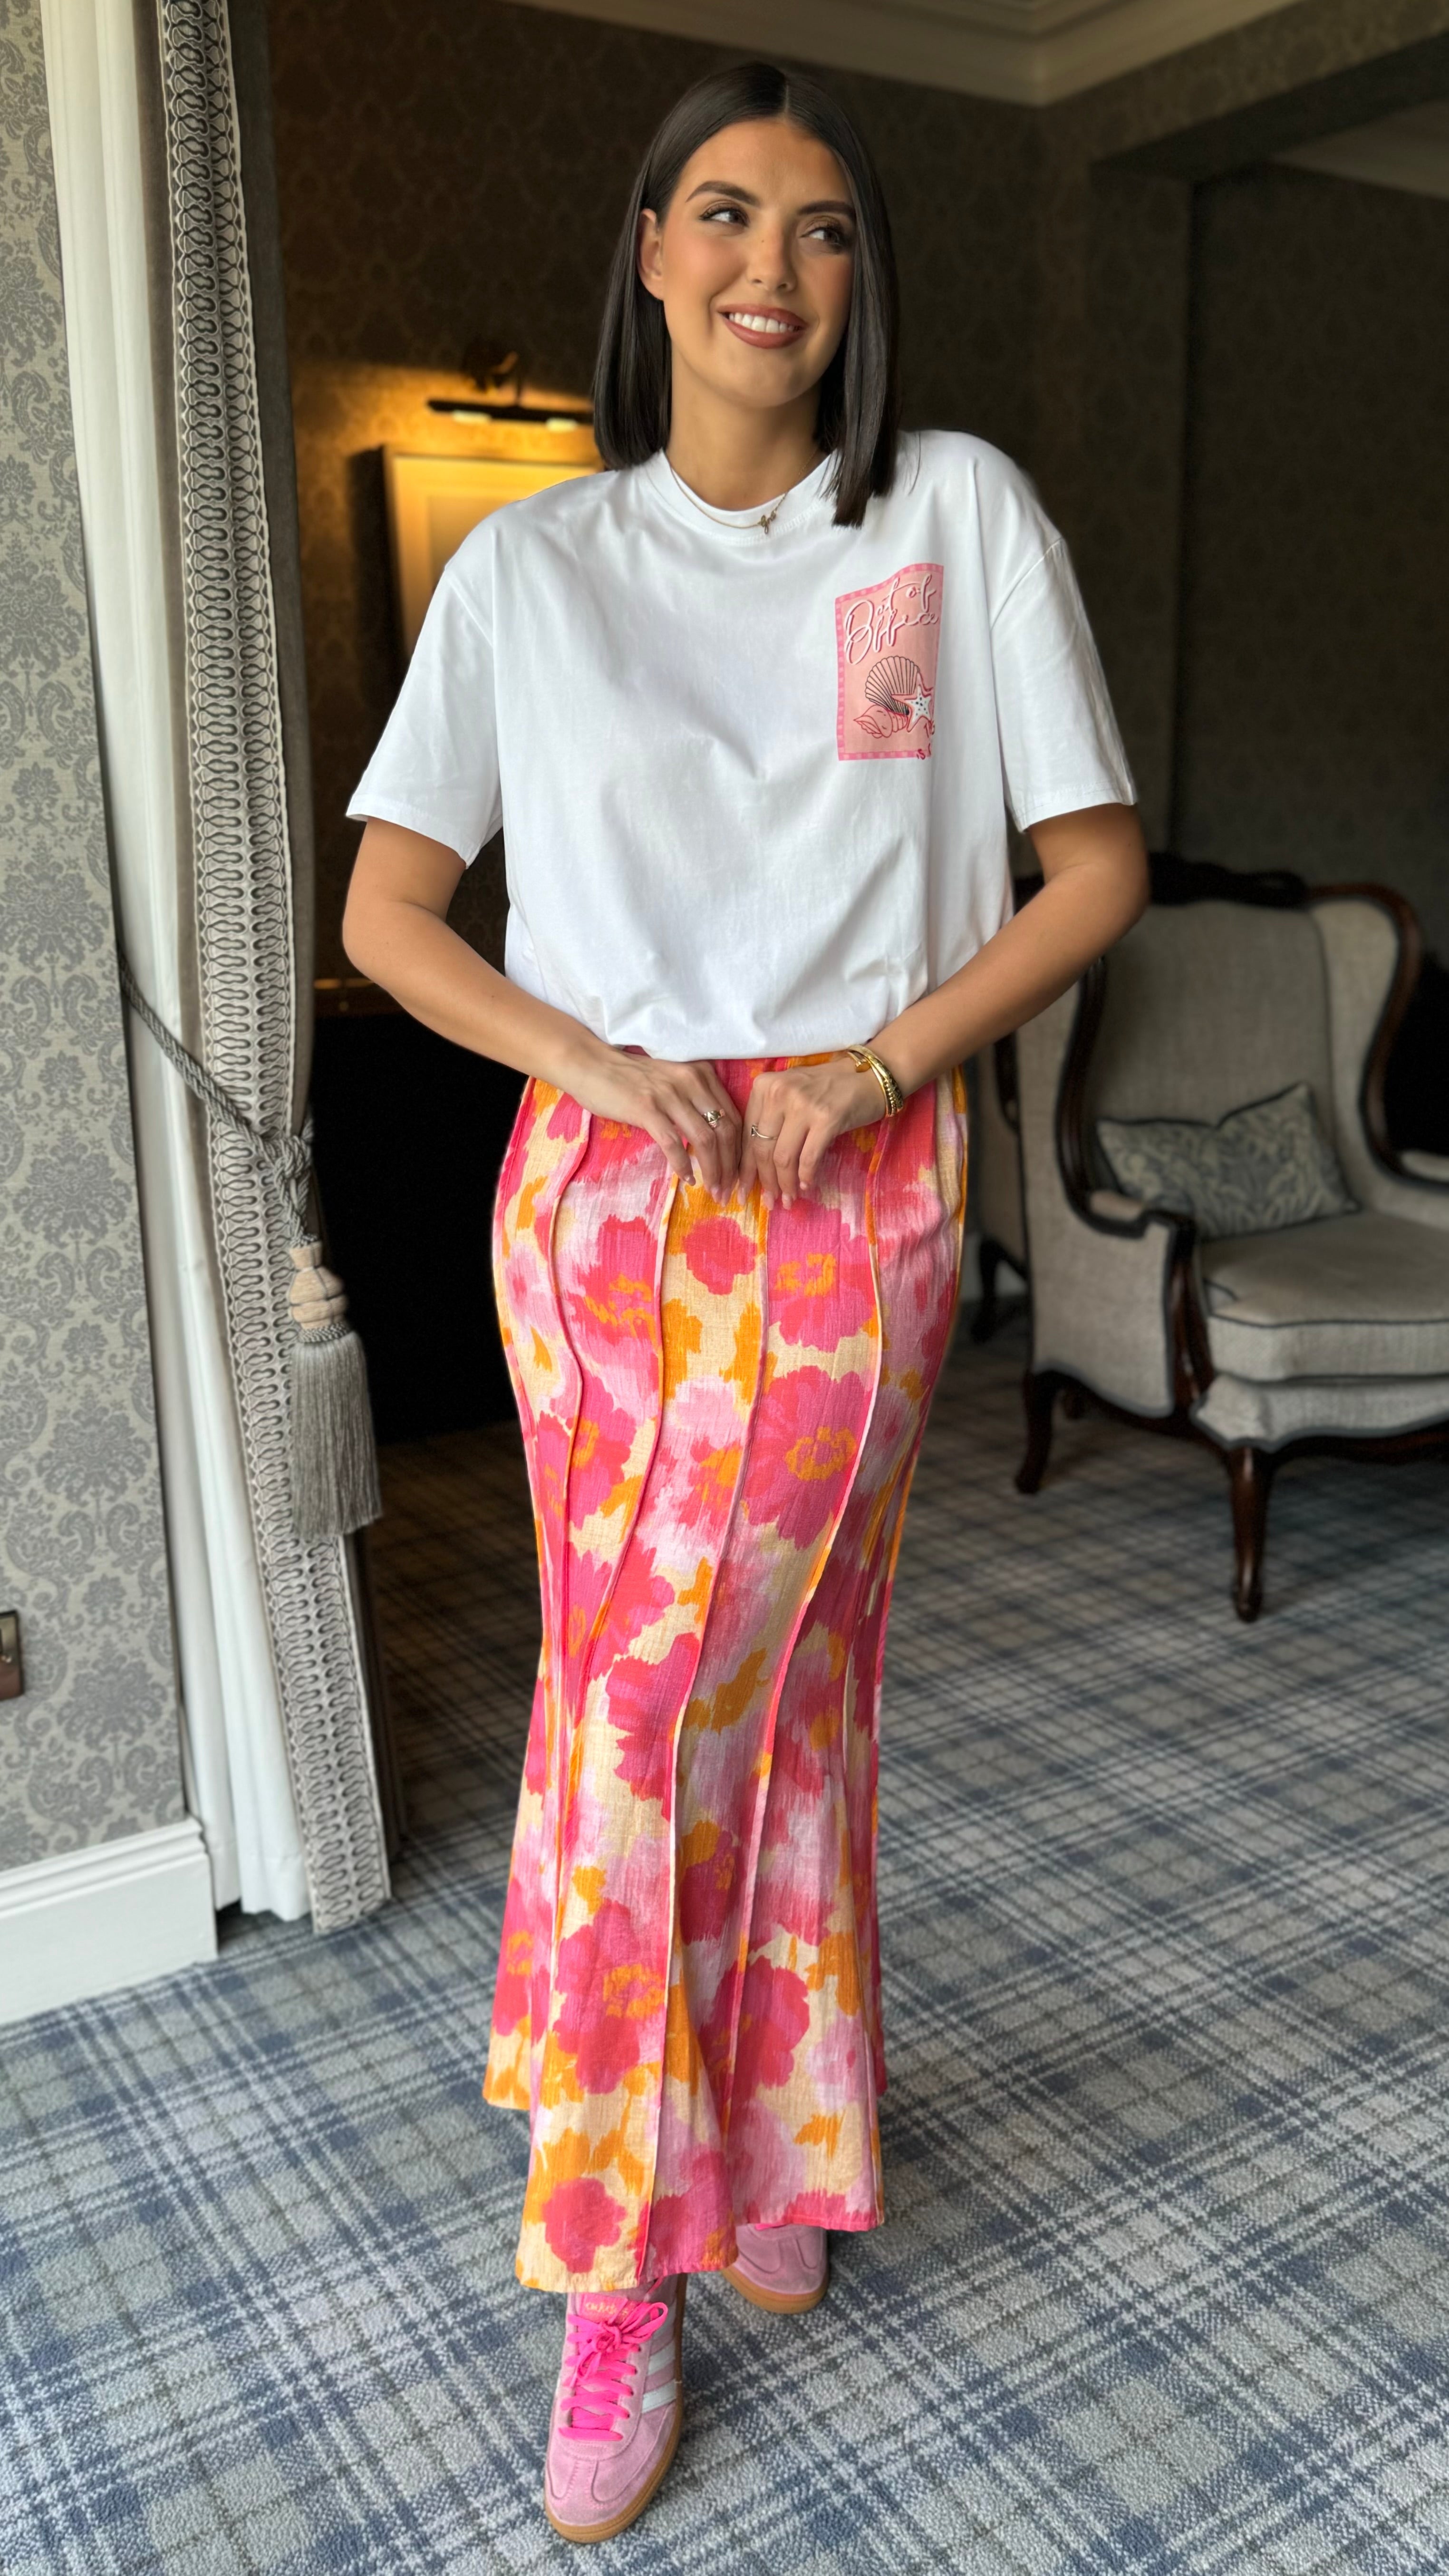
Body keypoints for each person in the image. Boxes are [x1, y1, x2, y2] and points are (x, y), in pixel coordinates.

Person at [342, 58, 1146, 2544]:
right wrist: (591, 1057)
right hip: (605, 1203)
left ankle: (774, 2139)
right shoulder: (535, 571)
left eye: (819, 227)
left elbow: (1076, 867)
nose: (767, 267)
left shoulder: (937, 527)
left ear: (856, 279)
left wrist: (881, 1061)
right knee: (632, 1716)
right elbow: (389, 912)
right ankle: (624, 2254)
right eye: (721, 213)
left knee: (786, 1692)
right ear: (651, 250)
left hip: (854, 1187)